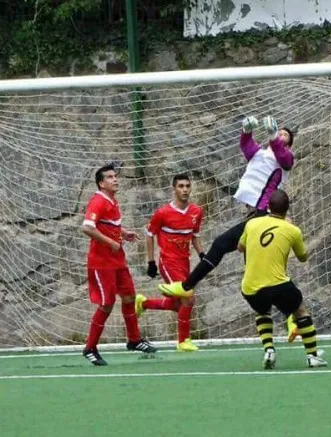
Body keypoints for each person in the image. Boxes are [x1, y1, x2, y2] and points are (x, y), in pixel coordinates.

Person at [158, 115, 300, 342]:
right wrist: (246, 131)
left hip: (264, 217)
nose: (280, 135)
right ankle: (293, 318)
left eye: (285, 135)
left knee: (221, 245)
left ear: (289, 144)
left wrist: (274, 136)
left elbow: (283, 156)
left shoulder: (286, 158)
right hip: (256, 216)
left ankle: (187, 285)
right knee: (260, 275)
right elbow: (246, 145)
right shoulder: (260, 155)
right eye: (278, 132)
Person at [237, 189, 327, 369]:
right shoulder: (292, 230)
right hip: (277, 284)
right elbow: (303, 257)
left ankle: (269, 349)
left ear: (268, 207)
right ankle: (312, 356)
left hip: (249, 286)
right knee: (301, 312)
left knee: (262, 312)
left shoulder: (252, 224)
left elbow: (240, 247)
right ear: (288, 209)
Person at [81, 164, 157, 366]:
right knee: (106, 304)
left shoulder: (112, 201)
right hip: (101, 263)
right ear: (101, 183)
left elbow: (108, 225)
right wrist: (111, 242)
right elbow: (87, 227)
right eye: (110, 177)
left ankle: (134, 340)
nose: (115, 179)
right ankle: (90, 348)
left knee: (130, 297)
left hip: (117, 260)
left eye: (116, 176)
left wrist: (124, 233)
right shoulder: (97, 201)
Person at [135, 173, 205, 352]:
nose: (185, 190)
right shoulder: (162, 213)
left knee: (178, 304)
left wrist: (203, 255)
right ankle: (183, 341)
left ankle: (143, 303)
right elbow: (149, 235)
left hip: (185, 263)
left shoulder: (196, 212)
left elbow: (195, 236)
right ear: (174, 189)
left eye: (187, 186)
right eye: (181, 186)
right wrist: (151, 262)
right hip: (168, 262)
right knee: (188, 298)